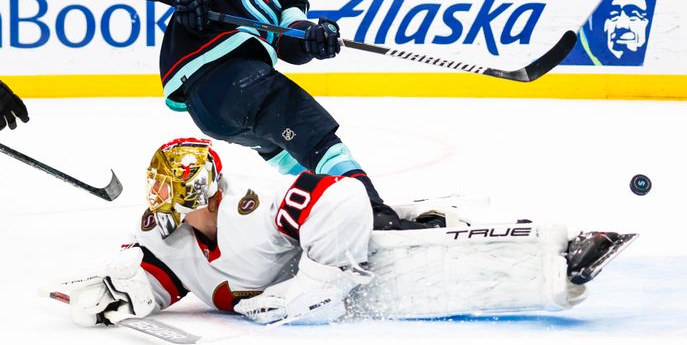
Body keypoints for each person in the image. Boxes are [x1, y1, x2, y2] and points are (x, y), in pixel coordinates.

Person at [62, 137, 633, 326]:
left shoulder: (254, 203)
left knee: (410, 238)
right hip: (310, 278)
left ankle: (555, 258)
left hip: (341, 262)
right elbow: (158, 275)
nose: (159, 204)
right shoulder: (170, 236)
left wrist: (320, 281)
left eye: (170, 191)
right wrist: (121, 291)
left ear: (200, 191)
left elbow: (341, 196)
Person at [127, 0, 424, 231]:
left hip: (220, 111)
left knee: (293, 155)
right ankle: (371, 213)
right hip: (229, 78)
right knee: (318, 138)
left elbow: (291, 43)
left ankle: (333, 207)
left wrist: (315, 37)